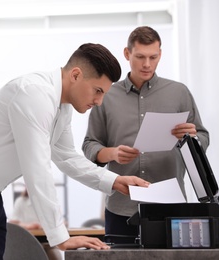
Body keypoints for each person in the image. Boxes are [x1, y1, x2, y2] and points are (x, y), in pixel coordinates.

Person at [0, 43, 150, 260]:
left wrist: (115, 180)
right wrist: (60, 237)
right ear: (75, 75)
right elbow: (37, 168)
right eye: (97, 91)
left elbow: (67, 158)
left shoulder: (62, 108)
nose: (99, 102)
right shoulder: (34, 94)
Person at [82, 26, 209, 238]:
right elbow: (90, 144)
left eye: (153, 56)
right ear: (126, 53)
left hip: (170, 205)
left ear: (160, 54)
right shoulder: (107, 95)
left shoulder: (179, 93)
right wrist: (112, 153)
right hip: (121, 207)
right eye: (140, 56)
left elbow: (203, 138)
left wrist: (192, 138)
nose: (147, 64)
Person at [9, 189, 63, 260]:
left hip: (47, 238)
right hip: (25, 239)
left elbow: (58, 220)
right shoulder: (21, 202)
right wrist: (27, 226)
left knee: (51, 249)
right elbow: (12, 223)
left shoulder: (48, 202)